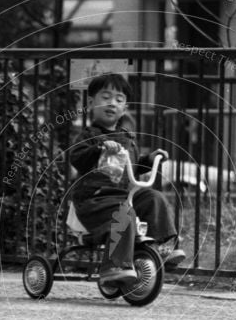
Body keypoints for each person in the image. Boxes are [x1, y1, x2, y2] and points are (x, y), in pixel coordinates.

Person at [70, 73, 185, 286]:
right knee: (124, 213)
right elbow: (76, 158)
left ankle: (163, 246)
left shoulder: (127, 138)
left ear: (125, 107)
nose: (112, 103)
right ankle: (113, 266)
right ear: (91, 103)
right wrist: (98, 150)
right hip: (95, 200)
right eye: (105, 97)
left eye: (118, 99)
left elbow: (131, 168)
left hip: (123, 196)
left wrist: (149, 160)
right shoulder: (88, 136)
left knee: (153, 197)